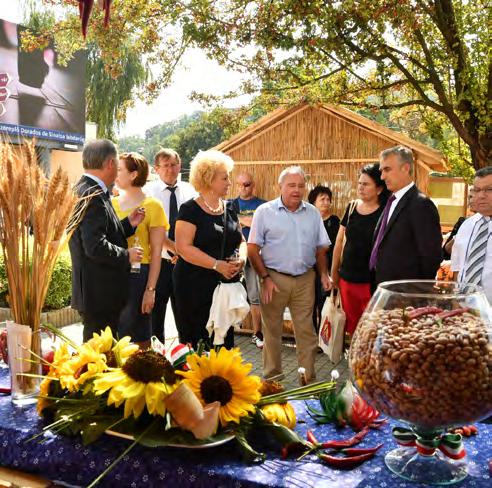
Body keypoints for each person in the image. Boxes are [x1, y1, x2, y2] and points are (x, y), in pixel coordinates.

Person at [248, 166, 331, 383]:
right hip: (273, 278)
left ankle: (308, 382)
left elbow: (321, 248)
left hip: (305, 279)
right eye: (291, 185)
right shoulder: (264, 212)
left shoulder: (312, 213)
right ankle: (273, 383)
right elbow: (252, 249)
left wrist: (323, 274)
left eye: (301, 185)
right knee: (272, 333)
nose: (297, 190)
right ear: (280, 187)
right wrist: (265, 279)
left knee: (306, 333)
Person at [69, 139, 144, 342]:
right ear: (110, 163)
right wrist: (126, 254)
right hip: (99, 294)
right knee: (97, 359)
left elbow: (101, 231)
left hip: (95, 292)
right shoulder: (92, 194)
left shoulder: (85, 188)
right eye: (117, 165)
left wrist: (128, 224)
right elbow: (95, 246)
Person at [173, 150, 246, 349]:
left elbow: (241, 240)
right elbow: (183, 247)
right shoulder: (190, 210)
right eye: (225, 178)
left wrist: (242, 260)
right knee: (196, 345)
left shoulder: (230, 208)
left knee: (223, 344)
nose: (229, 182)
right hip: (193, 287)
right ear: (208, 179)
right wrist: (216, 265)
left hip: (223, 288)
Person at [113, 152, 170, 348]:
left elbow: (156, 251)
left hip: (139, 278)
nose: (115, 173)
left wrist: (150, 290)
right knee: (113, 339)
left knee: (138, 340)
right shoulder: (109, 205)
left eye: (119, 169)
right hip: (112, 275)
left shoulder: (153, 206)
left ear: (133, 174)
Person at [144, 148, 197, 342]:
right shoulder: (148, 192)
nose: (170, 170)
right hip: (159, 263)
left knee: (186, 316)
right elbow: (151, 229)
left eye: (174, 165)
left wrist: (184, 252)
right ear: (156, 169)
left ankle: (187, 362)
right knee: (155, 318)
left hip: (186, 264)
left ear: (180, 166)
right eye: (165, 166)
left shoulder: (191, 191)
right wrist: (174, 249)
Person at [369, 146, 442, 287]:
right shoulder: (391, 201)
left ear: (406, 168)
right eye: (381, 171)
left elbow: (431, 257)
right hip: (384, 289)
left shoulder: (421, 204)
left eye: (387, 169)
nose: (382, 176)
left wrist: (416, 294)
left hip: (406, 294)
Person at [330, 165, 388, 336]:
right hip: (347, 279)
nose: (360, 187)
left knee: (372, 328)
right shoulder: (352, 207)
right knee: (352, 327)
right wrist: (334, 273)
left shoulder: (386, 213)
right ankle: (356, 361)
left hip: (371, 282)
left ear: (379, 188)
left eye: (366, 184)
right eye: (359, 183)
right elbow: (339, 242)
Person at [231, 172, 266, 348]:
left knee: (255, 296)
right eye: (240, 184)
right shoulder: (230, 204)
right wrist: (247, 221)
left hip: (255, 255)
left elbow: (260, 225)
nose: (243, 187)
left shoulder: (263, 205)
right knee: (227, 293)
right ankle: (226, 331)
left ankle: (257, 332)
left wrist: (240, 220)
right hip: (233, 255)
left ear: (253, 186)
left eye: (247, 184)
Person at [452, 167, 492, 304]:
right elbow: (457, 269)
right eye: (477, 190)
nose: (481, 195)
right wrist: (456, 302)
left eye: (489, 190)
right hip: (465, 310)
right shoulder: (466, 226)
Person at [308, 185, 340, 331]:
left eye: (328, 199)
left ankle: (323, 337)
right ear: (313, 202)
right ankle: (312, 337)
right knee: (309, 303)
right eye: (322, 199)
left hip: (326, 269)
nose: (326, 202)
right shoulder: (308, 221)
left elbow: (337, 245)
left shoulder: (334, 221)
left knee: (323, 303)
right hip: (308, 269)